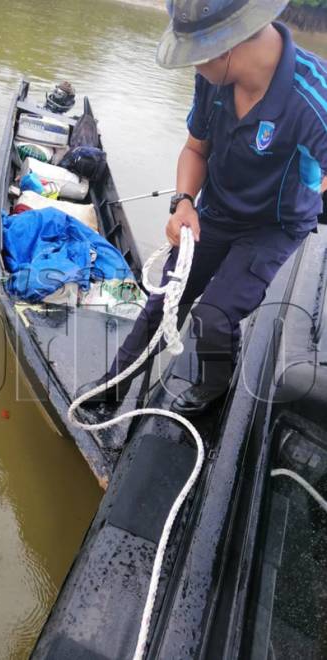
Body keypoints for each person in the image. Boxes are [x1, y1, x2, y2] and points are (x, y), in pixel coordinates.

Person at [78, 0, 327, 418]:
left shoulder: (314, 98)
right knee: (164, 299)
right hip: (215, 209)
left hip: (273, 226)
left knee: (214, 316)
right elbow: (195, 148)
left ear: (228, 46)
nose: (193, 68)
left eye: (197, 57)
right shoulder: (214, 80)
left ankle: (214, 387)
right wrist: (183, 203)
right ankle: (113, 386)